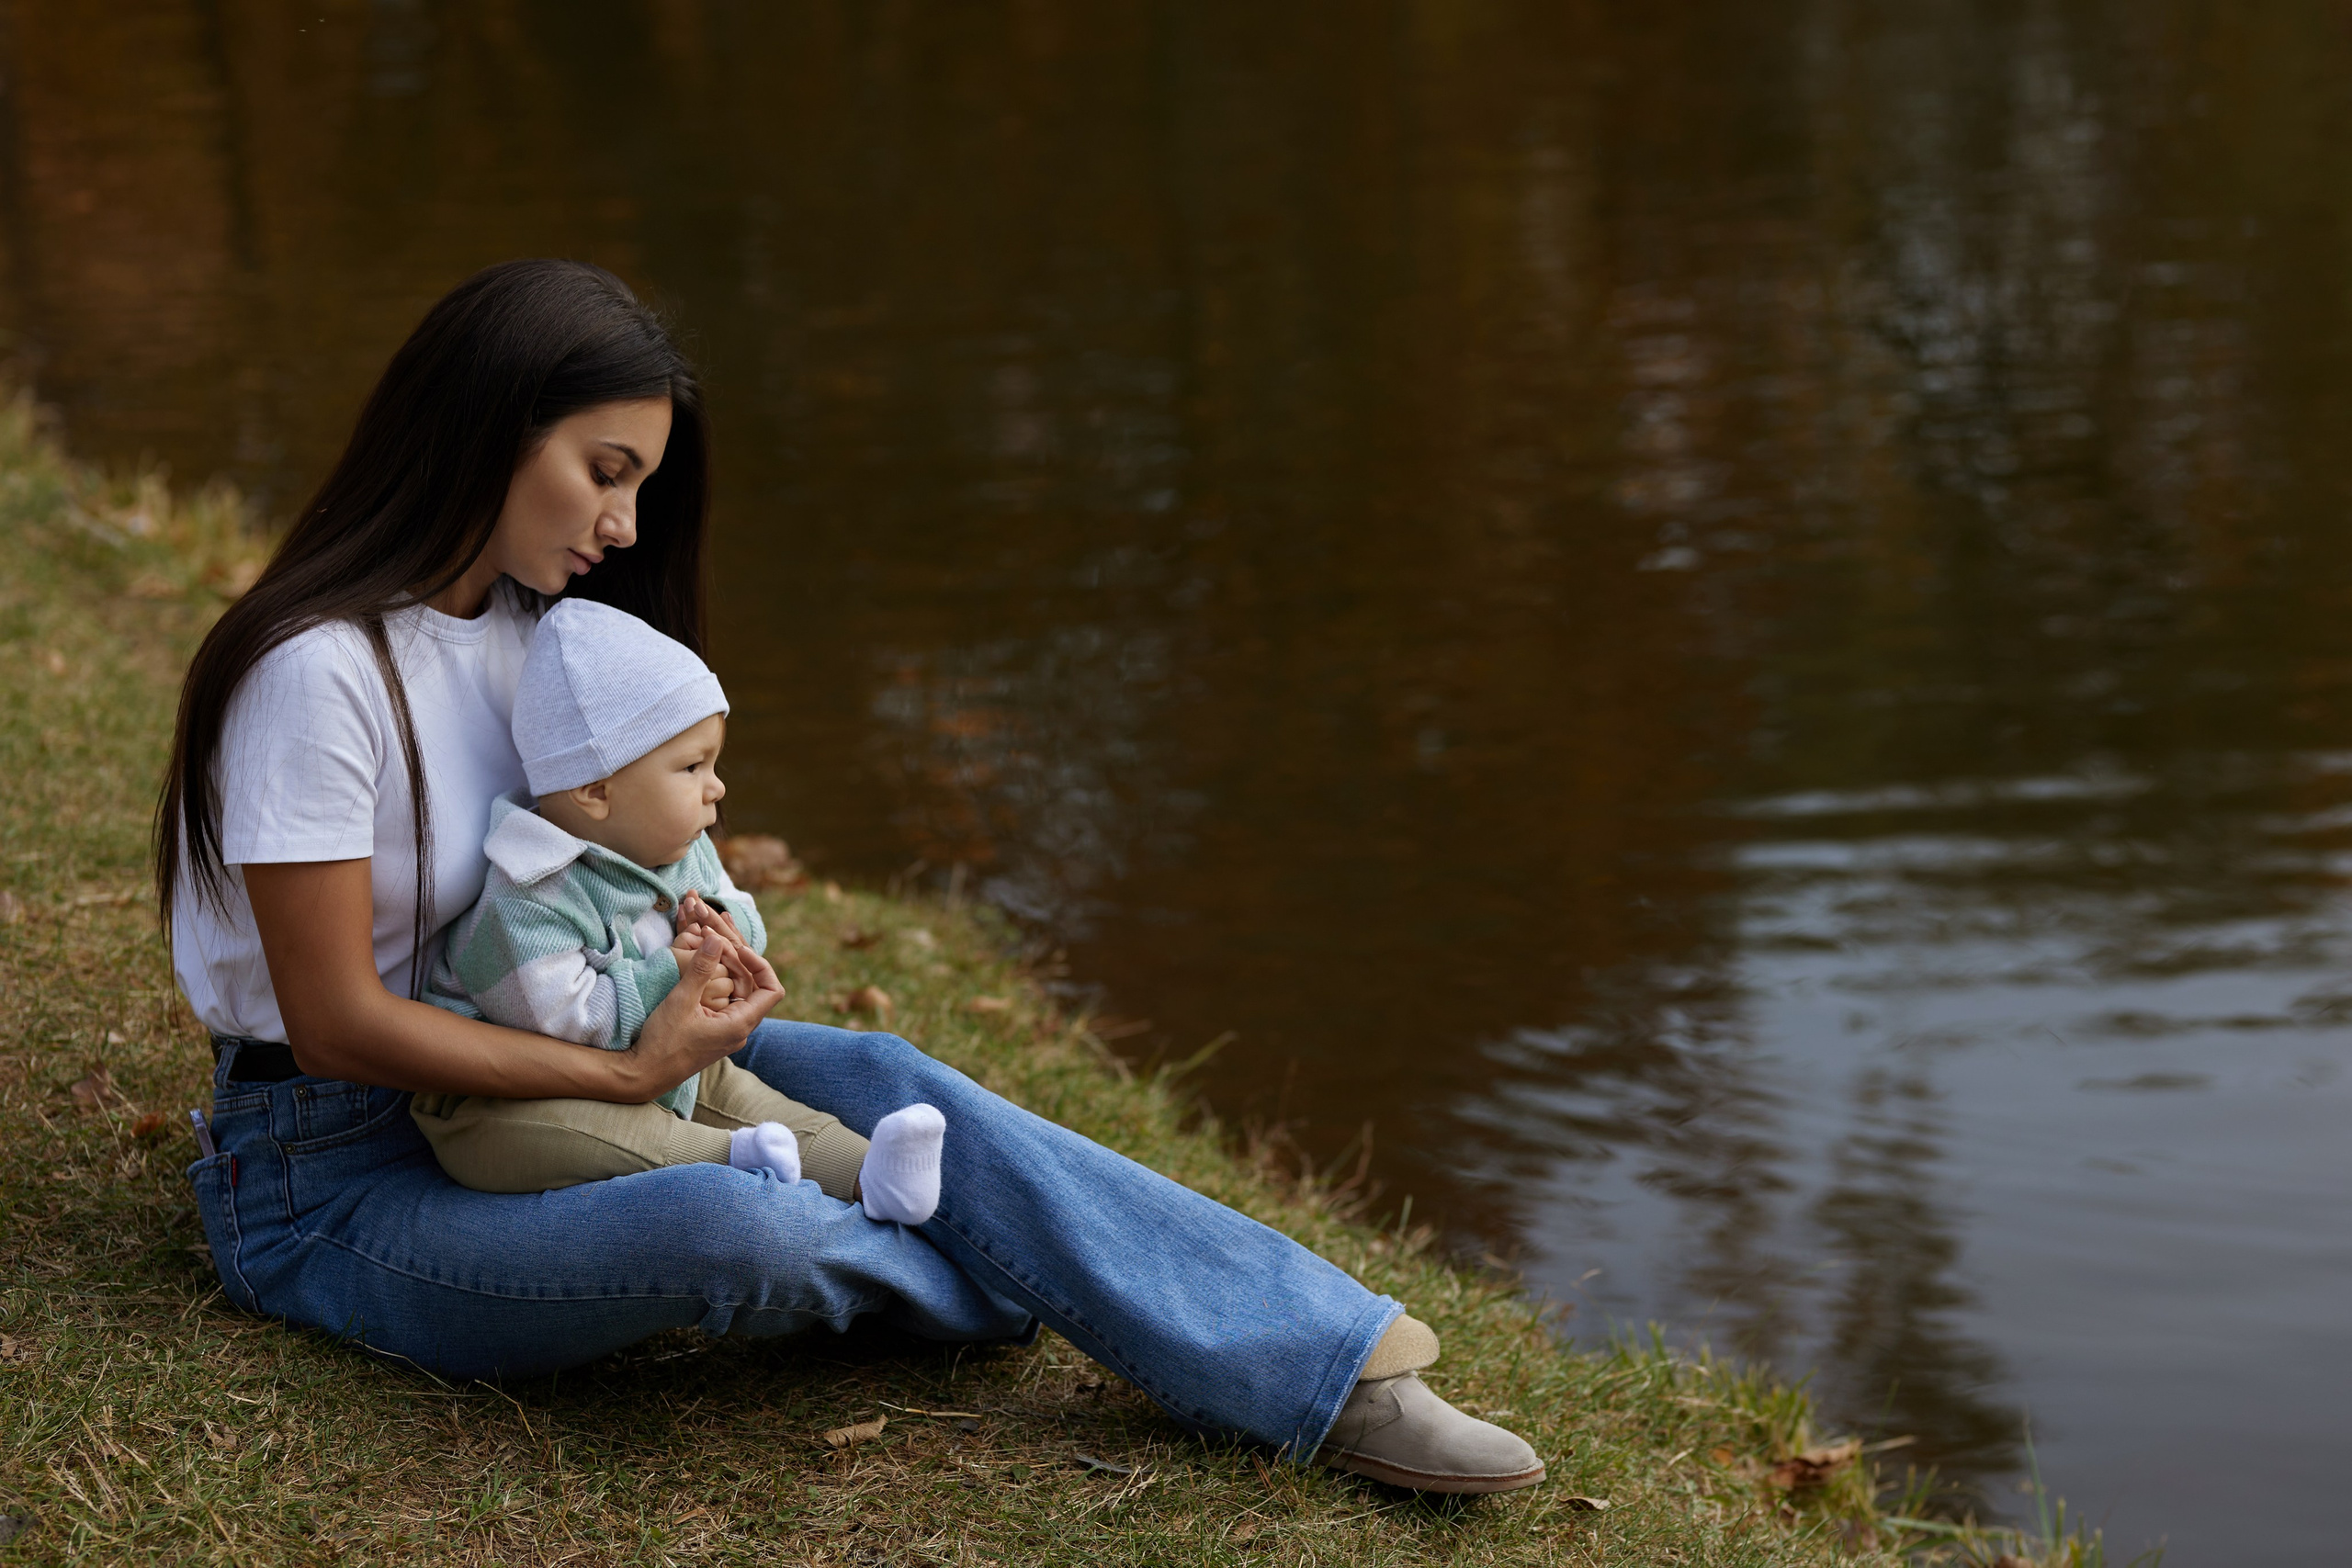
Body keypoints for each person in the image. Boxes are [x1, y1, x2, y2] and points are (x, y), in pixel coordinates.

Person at [157, 257, 1544, 1495]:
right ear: (486, 423)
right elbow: (333, 1017)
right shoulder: (318, 676)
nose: (627, 525)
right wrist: (635, 1075)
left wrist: (693, 961)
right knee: (725, 1221)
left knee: (890, 1076)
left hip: (556, 1038)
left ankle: (1336, 1365)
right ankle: (1026, 1272)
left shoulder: (539, 641)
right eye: (607, 468)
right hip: (334, 1175)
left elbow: (618, 862)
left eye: (640, 480)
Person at [412, 594, 945, 1223]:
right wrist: (678, 970)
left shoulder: (679, 848)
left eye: (713, 762)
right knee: (628, 1137)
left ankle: (865, 1170)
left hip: (660, 1055)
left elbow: (745, 917)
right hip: (505, 1104)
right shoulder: (527, 892)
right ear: (597, 790)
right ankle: (734, 1166)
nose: (716, 786)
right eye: (692, 765)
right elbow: (568, 1018)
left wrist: (721, 941)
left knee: (748, 1096)